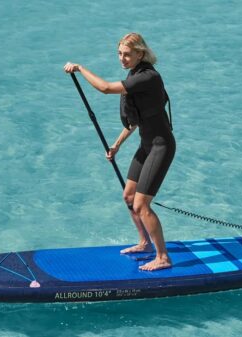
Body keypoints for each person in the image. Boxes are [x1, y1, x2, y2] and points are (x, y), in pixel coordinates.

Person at [63, 33, 176, 271]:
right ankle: (145, 242)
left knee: (142, 205)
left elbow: (104, 88)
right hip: (146, 146)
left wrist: (81, 68)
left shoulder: (147, 77)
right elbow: (136, 121)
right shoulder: (134, 74)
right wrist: (117, 145)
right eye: (119, 54)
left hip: (160, 146)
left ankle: (163, 257)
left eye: (127, 54)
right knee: (128, 197)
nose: (122, 59)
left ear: (140, 53)